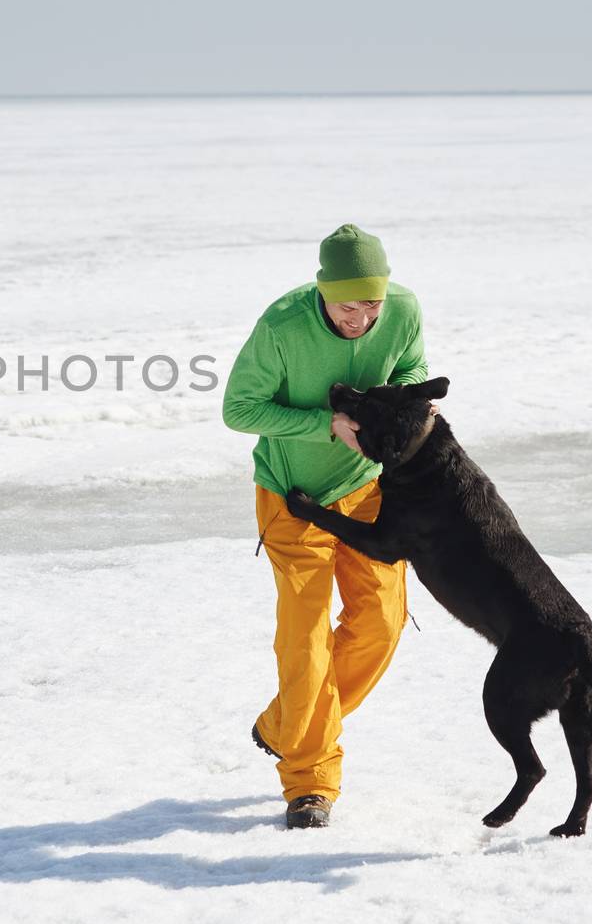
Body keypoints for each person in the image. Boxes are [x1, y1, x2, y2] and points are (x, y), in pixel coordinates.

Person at [221, 223, 428, 829]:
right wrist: (325, 425)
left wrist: (414, 407)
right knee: (306, 638)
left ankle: (284, 721)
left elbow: (412, 370)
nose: (361, 317)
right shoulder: (284, 325)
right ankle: (310, 781)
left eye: (372, 302)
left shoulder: (404, 310)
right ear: (321, 292)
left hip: (367, 491)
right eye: (347, 304)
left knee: (381, 624)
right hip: (292, 494)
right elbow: (239, 409)